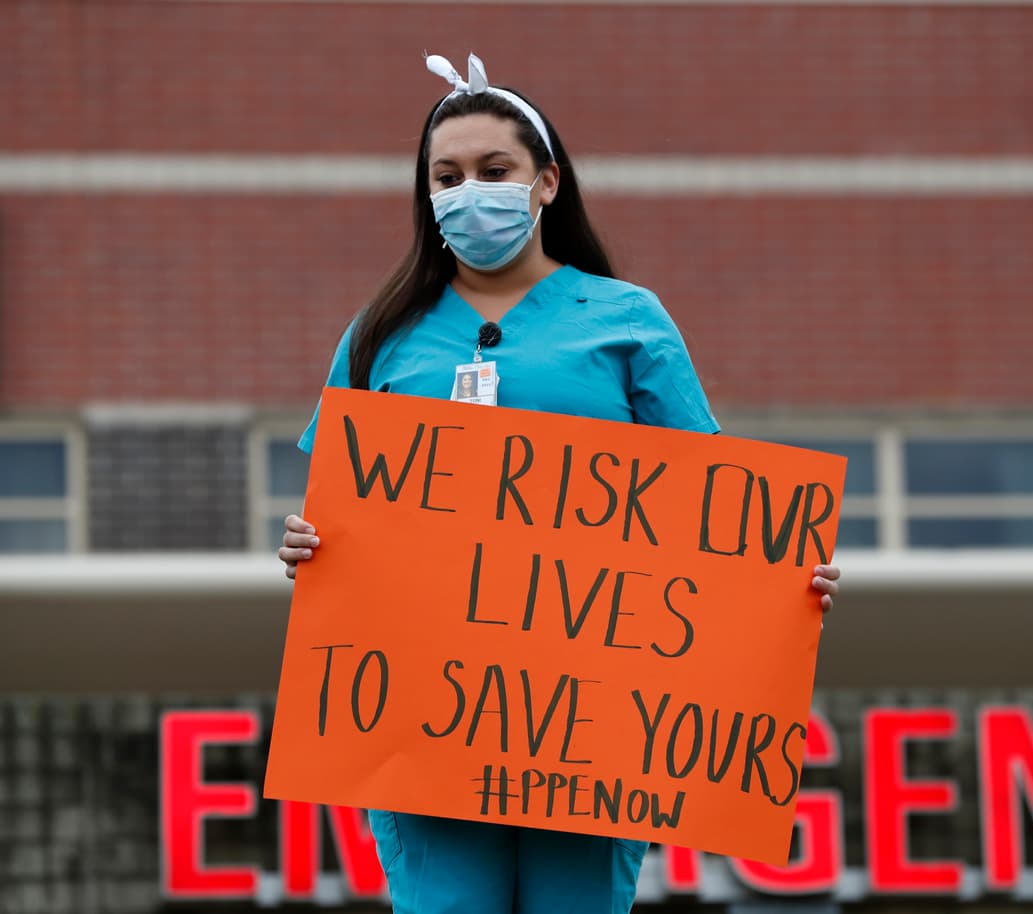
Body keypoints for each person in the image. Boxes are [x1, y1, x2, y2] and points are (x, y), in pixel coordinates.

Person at [278, 52, 841, 914]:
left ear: (544, 183)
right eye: (447, 175)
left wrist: (780, 579)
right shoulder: (381, 334)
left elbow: (711, 506)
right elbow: (343, 509)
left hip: (592, 730)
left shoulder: (626, 318)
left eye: (493, 171)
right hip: (426, 719)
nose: (470, 191)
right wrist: (311, 547)